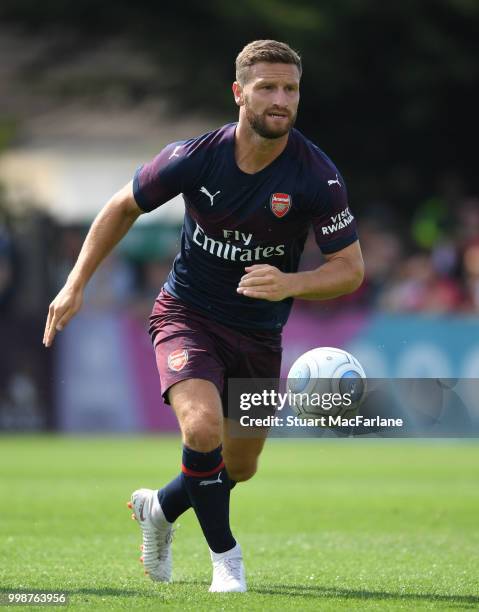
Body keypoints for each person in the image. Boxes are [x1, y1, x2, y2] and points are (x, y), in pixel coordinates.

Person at [43, 40, 364, 593]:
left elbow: (350, 269)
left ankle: (160, 509)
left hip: (259, 332)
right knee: (202, 428)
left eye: (290, 88)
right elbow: (121, 206)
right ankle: (227, 560)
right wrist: (75, 285)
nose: (280, 99)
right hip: (186, 313)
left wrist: (290, 282)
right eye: (267, 87)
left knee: (238, 466)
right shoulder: (194, 157)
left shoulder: (317, 175)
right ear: (239, 93)